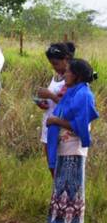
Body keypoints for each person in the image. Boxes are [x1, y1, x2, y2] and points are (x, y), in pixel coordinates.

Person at [45, 59, 99, 223]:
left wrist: (55, 121)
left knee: (71, 189)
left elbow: (80, 125)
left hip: (74, 150)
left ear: (77, 76)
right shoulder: (73, 92)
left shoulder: (83, 95)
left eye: (68, 72)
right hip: (65, 148)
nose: (64, 74)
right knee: (61, 188)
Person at [35, 42, 74, 173]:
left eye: (56, 63)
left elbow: (70, 104)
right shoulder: (57, 76)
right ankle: (58, 193)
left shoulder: (73, 78)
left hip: (62, 128)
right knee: (53, 168)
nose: (54, 67)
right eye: (52, 64)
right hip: (49, 125)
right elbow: (55, 101)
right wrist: (44, 103)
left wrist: (50, 95)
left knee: (62, 170)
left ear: (66, 59)